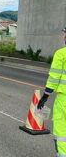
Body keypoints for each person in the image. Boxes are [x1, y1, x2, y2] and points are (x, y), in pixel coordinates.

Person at [37, 27, 66, 157]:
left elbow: (54, 78)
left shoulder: (61, 54)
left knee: (62, 135)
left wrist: (44, 97)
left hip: (64, 101)